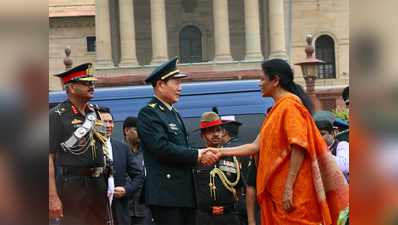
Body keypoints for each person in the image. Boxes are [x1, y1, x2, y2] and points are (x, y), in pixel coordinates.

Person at [204, 59, 349, 224]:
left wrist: (288, 187)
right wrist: (220, 151)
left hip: (295, 195)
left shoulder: (290, 106)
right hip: (280, 196)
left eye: (262, 78)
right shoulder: (276, 110)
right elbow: (255, 146)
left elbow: (299, 147)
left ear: (275, 80)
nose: (259, 83)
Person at [136, 56, 218, 225]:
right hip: (166, 194)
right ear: (160, 85)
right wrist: (198, 154)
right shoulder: (149, 113)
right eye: (176, 83)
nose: (180, 88)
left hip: (184, 192)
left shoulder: (173, 112)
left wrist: (202, 155)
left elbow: (181, 148)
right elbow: (162, 148)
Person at [49, 63, 109, 224]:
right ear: (72, 88)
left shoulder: (94, 112)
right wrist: (52, 196)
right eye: (86, 83)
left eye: (92, 82)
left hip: (97, 182)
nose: (92, 86)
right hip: (73, 184)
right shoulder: (57, 116)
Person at [192, 111, 245, 225]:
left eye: (218, 130)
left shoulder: (232, 157)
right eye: (211, 131)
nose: (215, 134)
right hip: (204, 218)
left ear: (223, 133)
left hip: (229, 217)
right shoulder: (196, 158)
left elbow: (239, 188)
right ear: (202, 136)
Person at [99, 107, 145, 225]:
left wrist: (125, 190)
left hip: (119, 211)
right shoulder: (87, 147)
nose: (108, 125)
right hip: (95, 209)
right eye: (104, 122)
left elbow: (138, 176)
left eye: (111, 122)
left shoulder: (122, 148)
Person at [219, 115, 250, 225]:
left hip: (236, 202)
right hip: (251, 201)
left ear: (223, 132)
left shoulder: (225, 153)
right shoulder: (247, 150)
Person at [122, 116, 149, 225]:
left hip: (142, 211)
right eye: (137, 129)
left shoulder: (147, 152)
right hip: (123, 208)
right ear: (127, 130)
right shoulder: (118, 150)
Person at [245, 154, 261, 225]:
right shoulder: (260, 154)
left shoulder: (296, 149)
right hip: (267, 211)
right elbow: (251, 186)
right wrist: (251, 221)